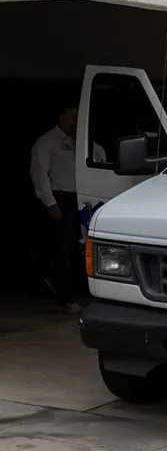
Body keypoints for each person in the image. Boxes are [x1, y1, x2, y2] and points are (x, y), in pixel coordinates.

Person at [29, 101, 103, 312]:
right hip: (61, 198)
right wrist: (50, 202)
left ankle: (86, 292)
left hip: (84, 199)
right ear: (61, 116)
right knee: (62, 250)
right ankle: (64, 297)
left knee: (84, 246)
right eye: (72, 116)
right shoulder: (47, 142)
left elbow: (99, 156)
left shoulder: (83, 142)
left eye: (78, 117)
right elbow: (39, 174)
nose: (75, 121)